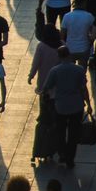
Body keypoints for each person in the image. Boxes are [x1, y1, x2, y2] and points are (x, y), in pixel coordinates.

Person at [47, 46, 92, 167]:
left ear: (59, 56)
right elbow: (84, 88)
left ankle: (62, 153)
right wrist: (88, 103)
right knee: (73, 134)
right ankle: (70, 158)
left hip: (61, 106)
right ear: (69, 55)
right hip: (76, 106)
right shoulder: (79, 70)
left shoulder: (55, 71)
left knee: (60, 132)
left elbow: (47, 87)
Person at [29, 17, 63, 167]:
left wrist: (31, 75)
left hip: (44, 89)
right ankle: (53, 149)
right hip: (59, 90)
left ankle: (42, 149)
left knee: (44, 118)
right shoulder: (62, 46)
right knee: (56, 120)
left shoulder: (42, 47)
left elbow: (36, 63)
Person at [60, 0, 96, 66]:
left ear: (74, 4)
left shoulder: (67, 16)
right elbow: (93, 34)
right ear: (84, 4)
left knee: (70, 70)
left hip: (70, 48)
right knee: (82, 70)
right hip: (84, 48)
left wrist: (65, 46)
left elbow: (62, 35)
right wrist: (90, 44)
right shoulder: (89, 16)